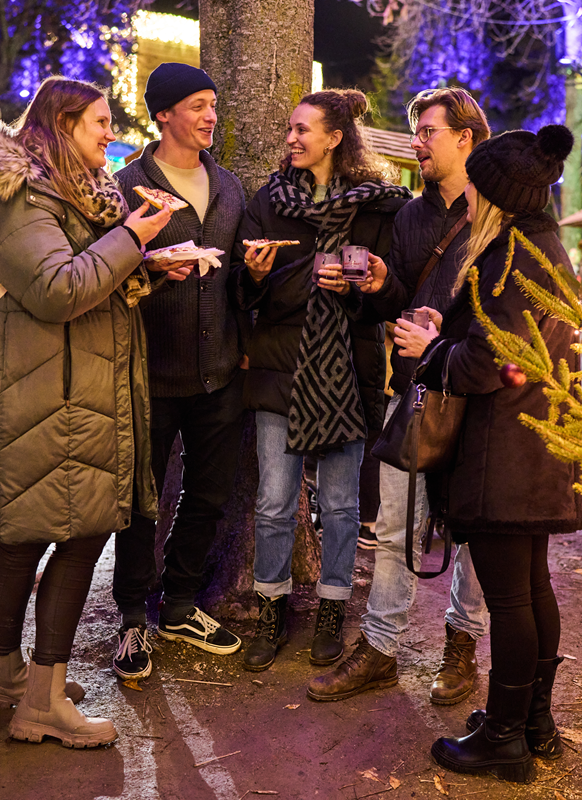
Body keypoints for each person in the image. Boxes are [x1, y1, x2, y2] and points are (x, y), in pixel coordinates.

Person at [0, 76, 174, 748]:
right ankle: (42, 704)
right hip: (46, 397)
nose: (112, 132)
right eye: (102, 121)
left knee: (25, 542)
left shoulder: (63, 190)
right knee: (73, 541)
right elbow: (56, 289)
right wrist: (132, 238)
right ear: (63, 122)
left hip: (60, 393)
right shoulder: (23, 193)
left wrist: (152, 262)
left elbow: (82, 274)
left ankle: (10, 680)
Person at [307, 87, 490, 706]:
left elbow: (510, 307)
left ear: (465, 138)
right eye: (416, 130)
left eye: (428, 131)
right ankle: (381, 649)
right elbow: (401, 298)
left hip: (475, 390)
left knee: (469, 529)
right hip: (411, 389)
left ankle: (461, 649)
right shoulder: (411, 216)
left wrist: (453, 337)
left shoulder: (498, 209)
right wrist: (382, 285)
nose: (418, 142)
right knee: (394, 526)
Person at [416, 126, 582, 783]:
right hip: (538, 446)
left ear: (497, 195)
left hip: (503, 453)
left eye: (477, 189)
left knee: (512, 600)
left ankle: (505, 739)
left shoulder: (509, 256)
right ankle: (533, 724)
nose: (467, 199)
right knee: (532, 591)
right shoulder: (545, 247)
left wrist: (427, 352)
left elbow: (491, 364)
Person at [235, 89, 409, 672]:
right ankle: (270, 611)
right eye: (290, 128)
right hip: (278, 368)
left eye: (302, 129)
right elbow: (243, 289)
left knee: (338, 507)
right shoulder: (270, 200)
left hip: (349, 373)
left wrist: (364, 288)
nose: (290, 138)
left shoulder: (379, 208)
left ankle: (333, 611)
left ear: (335, 138)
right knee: (273, 502)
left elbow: (389, 297)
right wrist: (259, 277)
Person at [110, 62, 247, 680]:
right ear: (163, 113)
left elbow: (238, 279)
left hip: (219, 371)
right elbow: (101, 276)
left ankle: (182, 603)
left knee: (211, 493)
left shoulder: (231, 188)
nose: (210, 115)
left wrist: (259, 273)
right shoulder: (123, 186)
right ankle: (132, 616)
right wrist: (148, 266)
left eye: (213, 104)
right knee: (140, 500)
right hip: (147, 373)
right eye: (197, 105)